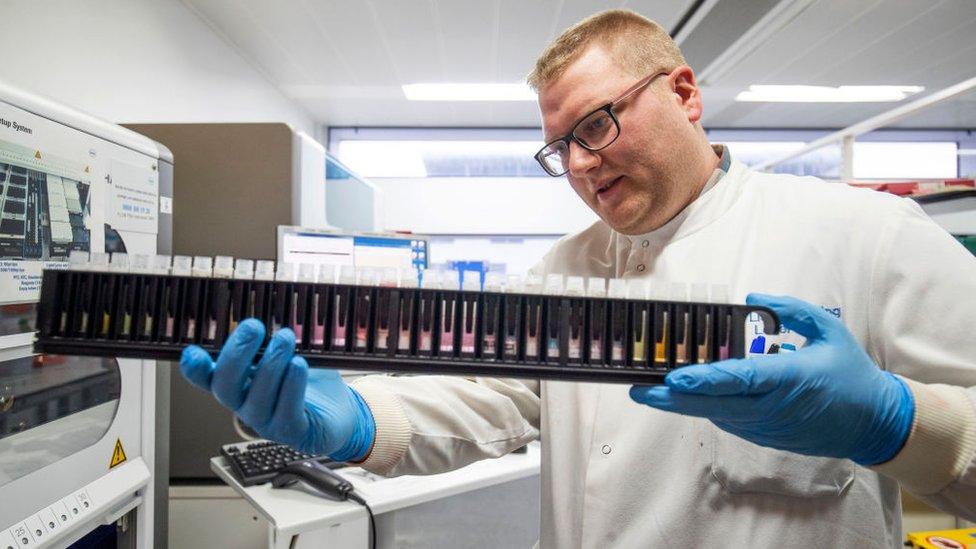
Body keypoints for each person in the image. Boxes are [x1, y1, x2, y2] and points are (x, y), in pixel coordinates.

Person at [180, 9, 976, 547]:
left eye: (597, 123)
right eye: (561, 147)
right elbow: (492, 396)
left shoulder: (863, 234)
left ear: (686, 94)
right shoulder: (563, 271)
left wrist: (900, 423)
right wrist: (353, 419)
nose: (582, 164)